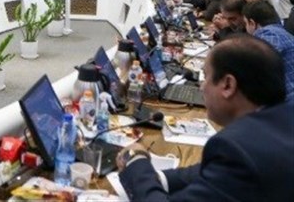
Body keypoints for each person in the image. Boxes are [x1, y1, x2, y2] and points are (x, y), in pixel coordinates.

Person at [116, 34, 293, 201]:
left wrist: (135, 161)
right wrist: (158, 178)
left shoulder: (238, 149)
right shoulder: (283, 121)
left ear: (228, 85)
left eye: (206, 77)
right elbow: (210, 172)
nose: (201, 87)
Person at [243, 0, 294, 102]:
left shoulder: (269, 34)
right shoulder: (284, 33)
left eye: (245, 23)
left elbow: (252, 66)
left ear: (252, 23)